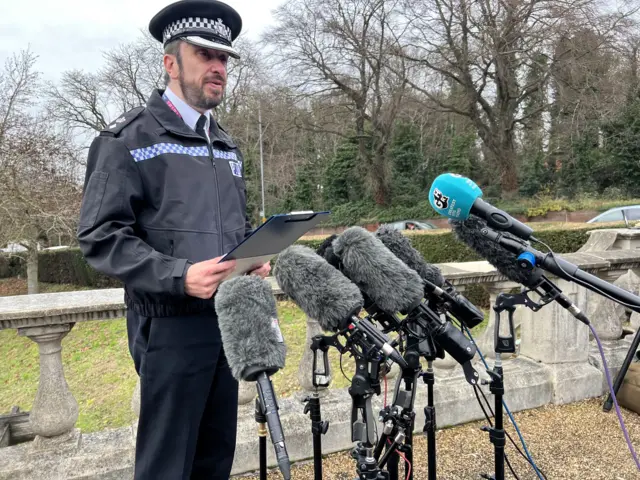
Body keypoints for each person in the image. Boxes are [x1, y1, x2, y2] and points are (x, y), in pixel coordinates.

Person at [76, 1, 269, 478]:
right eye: (205, 55)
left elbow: (231, 228)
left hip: (229, 325)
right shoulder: (125, 140)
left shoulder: (225, 145)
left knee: (214, 459)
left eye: (224, 59)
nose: (218, 68)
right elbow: (100, 236)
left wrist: (254, 255)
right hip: (168, 330)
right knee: (167, 466)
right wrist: (180, 276)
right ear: (170, 62)